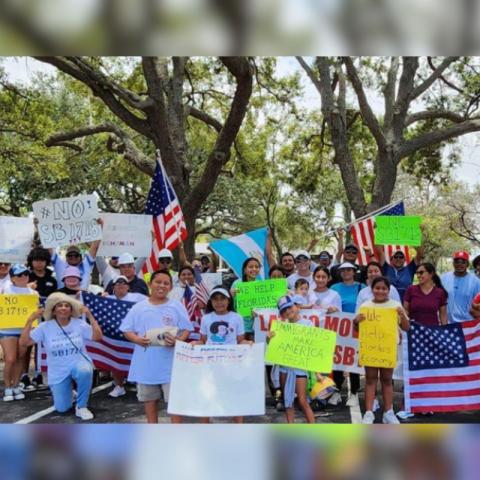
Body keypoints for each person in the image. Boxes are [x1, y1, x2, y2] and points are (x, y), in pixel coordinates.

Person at [119, 270, 192, 424]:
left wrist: (178, 340)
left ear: (171, 287)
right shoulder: (139, 307)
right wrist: (137, 340)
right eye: (158, 282)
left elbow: (187, 328)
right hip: (146, 364)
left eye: (166, 283)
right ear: (150, 284)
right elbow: (126, 330)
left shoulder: (176, 306)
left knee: (174, 403)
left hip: (170, 364)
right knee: (150, 401)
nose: (161, 286)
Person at [19, 292, 102, 420]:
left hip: (78, 363)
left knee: (85, 371)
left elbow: (97, 337)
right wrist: (30, 320)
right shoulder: (44, 327)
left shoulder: (78, 323)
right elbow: (24, 343)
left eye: (66, 306)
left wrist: (90, 316)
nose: (63, 308)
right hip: (58, 370)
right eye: (59, 306)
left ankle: (82, 407)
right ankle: (69, 393)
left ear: (71, 310)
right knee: (62, 408)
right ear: (53, 311)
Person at [353, 276, 410, 424]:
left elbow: (406, 327)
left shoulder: (395, 305)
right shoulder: (365, 306)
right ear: (372, 290)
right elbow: (357, 328)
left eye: (384, 288)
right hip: (371, 349)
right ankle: (369, 412)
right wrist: (356, 321)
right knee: (370, 380)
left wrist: (402, 315)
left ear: (388, 290)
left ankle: (388, 412)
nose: (380, 291)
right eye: (377, 288)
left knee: (386, 380)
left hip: (387, 349)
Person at [194, 286, 251, 423]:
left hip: (231, 364)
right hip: (210, 365)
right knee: (208, 395)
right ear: (211, 302)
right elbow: (203, 340)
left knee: (234, 395)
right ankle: (205, 428)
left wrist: (246, 343)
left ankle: (239, 427)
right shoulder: (206, 318)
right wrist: (195, 344)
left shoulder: (237, 317)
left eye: (222, 299)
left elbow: (240, 340)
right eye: (215, 299)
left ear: (228, 300)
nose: (219, 302)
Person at [267, 295, 315, 424]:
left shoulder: (308, 324)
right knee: (288, 400)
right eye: (284, 310)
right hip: (285, 368)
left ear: (296, 306)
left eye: (289, 307)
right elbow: (273, 346)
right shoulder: (281, 327)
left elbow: (313, 344)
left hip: (300, 368)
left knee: (302, 400)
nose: (288, 311)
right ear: (282, 314)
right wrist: (270, 338)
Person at [329, 262, 366, 407]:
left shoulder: (361, 288)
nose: (346, 272)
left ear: (354, 271)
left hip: (356, 329)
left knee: (354, 361)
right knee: (337, 360)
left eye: (349, 270)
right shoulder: (334, 288)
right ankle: (337, 391)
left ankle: (354, 393)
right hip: (338, 329)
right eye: (343, 270)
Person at [104, 276, 147, 398]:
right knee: (115, 360)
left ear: (128, 286)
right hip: (116, 336)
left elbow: (152, 303)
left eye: (123, 282)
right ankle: (119, 386)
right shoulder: (108, 299)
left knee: (138, 360)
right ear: (113, 287)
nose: (121, 284)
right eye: (117, 283)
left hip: (134, 335)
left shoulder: (138, 297)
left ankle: (141, 385)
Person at [0, 264, 39, 402]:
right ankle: (7, 387)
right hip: (7, 329)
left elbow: (35, 312)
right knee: (10, 358)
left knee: (21, 358)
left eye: (25, 274)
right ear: (12, 278)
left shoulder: (33, 294)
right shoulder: (4, 289)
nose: (23, 277)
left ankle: (16, 385)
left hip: (24, 330)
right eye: (19, 275)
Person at [25, 247, 57, 391]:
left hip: (46, 318)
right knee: (26, 346)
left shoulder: (52, 279)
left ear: (46, 261)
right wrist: (27, 287)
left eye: (41, 260)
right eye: (35, 260)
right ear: (31, 262)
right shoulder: (26, 277)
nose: (38, 263)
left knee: (43, 346)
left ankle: (39, 373)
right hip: (28, 318)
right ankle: (24, 376)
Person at [373, 232, 425, 301]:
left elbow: (420, 254)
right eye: (396, 257)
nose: (398, 259)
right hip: (388, 305)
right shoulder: (386, 268)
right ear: (391, 259)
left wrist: (417, 233)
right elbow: (380, 252)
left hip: (405, 306)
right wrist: (379, 231)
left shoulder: (410, 269)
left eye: (401, 257)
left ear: (404, 260)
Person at [441, 251, 480, 323]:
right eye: (457, 262)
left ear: (467, 264)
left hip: (467, 324)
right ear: (453, 263)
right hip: (446, 322)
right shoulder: (444, 278)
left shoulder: (476, 281)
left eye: (463, 262)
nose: (459, 264)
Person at [169, 265, 206, 341]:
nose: (186, 276)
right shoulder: (174, 291)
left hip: (197, 322)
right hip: (179, 325)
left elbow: (206, 304)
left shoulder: (199, 289)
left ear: (193, 276)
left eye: (189, 274)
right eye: (183, 274)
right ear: (179, 277)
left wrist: (201, 304)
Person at [404, 262, 448, 327]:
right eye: (417, 273)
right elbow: (405, 310)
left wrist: (445, 331)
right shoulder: (411, 289)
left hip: (433, 331)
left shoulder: (440, 292)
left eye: (421, 272)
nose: (418, 275)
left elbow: (443, 315)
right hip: (414, 330)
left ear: (431, 274)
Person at [231, 257, 262, 340]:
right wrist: (231, 295)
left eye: (257, 267)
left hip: (256, 326)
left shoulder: (261, 285)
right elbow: (231, 304)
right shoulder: (237, 284)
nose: (254, 269)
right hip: (240, 326)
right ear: (245, 270)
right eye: (251, 267)